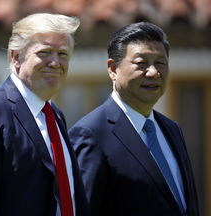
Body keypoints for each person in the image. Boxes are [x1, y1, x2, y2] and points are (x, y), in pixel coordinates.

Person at [0, 13, 90, 216]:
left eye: (63, 54)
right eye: (45, 52)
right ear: (16, 57)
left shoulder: (55, 116)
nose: (55, 62)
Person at [69, 21, 200, 216]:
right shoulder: (91, 134)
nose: (153, 72)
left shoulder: (172, 129)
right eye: (141, 63)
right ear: (113, 69)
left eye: (161, 63)